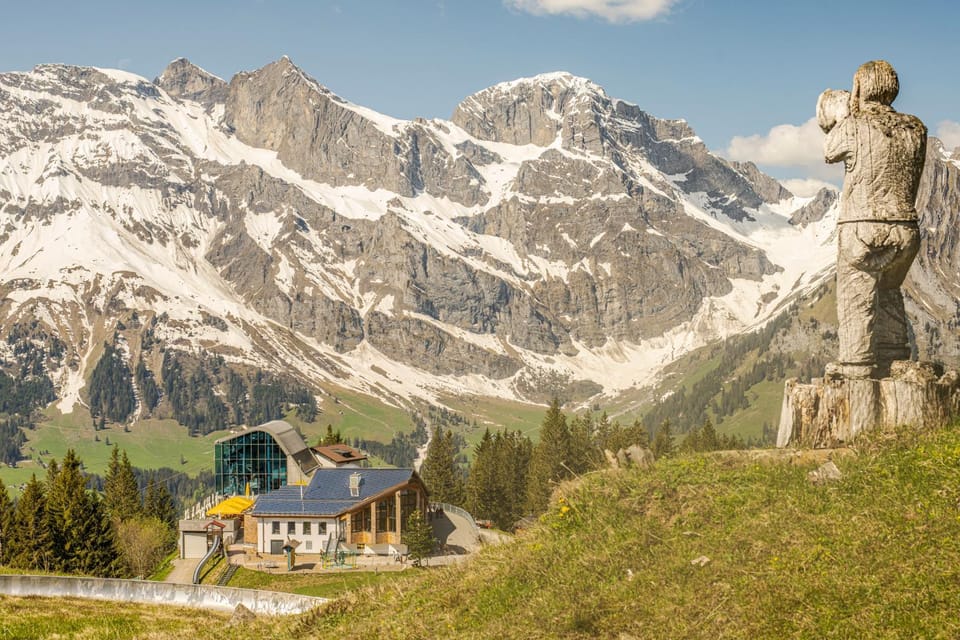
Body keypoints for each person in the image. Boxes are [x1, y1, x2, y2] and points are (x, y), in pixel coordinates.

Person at [819, 60, 927, 379]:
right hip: (906, 228)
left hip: (862, 226)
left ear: (859, 87)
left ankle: (856, 367)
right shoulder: (916, 128)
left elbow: (829, 150)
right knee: (889, 290)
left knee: (856, 295)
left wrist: (845, 112)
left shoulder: (853, 126)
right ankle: (894, 355)